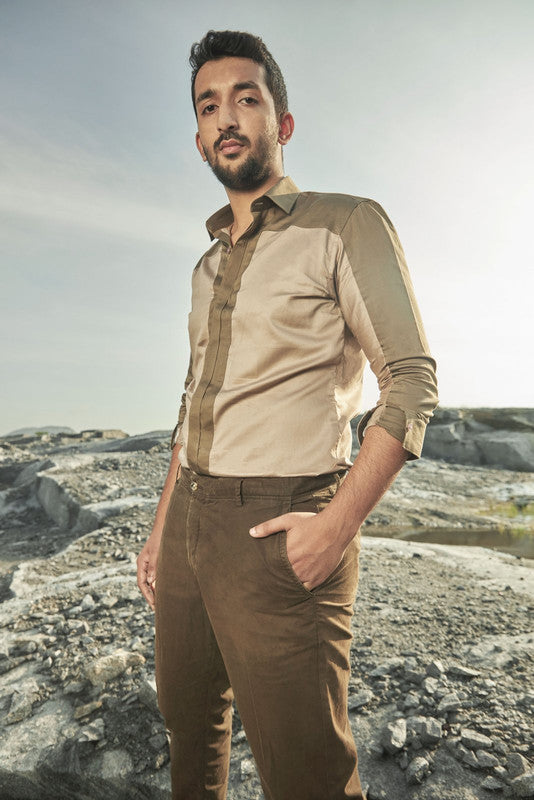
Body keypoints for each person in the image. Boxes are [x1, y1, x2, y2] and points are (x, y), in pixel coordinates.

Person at [137, 29, 438, 800]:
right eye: (209, 106)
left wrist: (334, 528)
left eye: (246, 98)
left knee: (307, 776)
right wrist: (163, 527)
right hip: (190, 522)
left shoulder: (345, 224)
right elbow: (193, 402)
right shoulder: (205, 265)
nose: (226, 117)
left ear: (283, 122)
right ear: (199, 138)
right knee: (189, 726)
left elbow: (410, 380)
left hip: (281, 522)